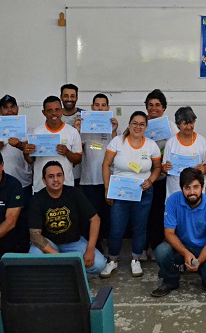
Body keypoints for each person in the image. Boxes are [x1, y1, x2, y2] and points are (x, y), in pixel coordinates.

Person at [102, 111, 162, 277]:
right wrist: (107, 189)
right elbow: (106, 165)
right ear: (129, 125)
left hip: (143, 193)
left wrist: (150, 181)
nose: (138, 127)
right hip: (119, 193)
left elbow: (158, 168)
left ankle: (135, 259)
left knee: (139, 228)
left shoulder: (151, 145)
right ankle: (112, 260)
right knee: (116, 228)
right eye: (134, 123)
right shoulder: (117, 142)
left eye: (142, 124)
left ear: (146, 127)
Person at [28, 161, 111, 276]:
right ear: (44, 180)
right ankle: (65, 271)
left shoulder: (74, 193)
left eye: (59, 175)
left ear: (64, 177)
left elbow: (95, 219)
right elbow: (34, 235)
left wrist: (90, 250)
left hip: (74, 242)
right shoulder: (37, 199)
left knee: (99, 265)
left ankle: (62, 271)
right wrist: (57, 255)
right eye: (51, 177)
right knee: (34, 259)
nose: (56, 179)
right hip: (49, 243)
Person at [151, 168, 206, 297]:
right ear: (181, 188)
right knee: (161, 251)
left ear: (202, 187)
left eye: (195, 187)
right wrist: (186, 253)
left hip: (203, 247)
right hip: (180, 246)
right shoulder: (172, 201)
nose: (192, 192)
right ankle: (170, 280)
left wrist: (199, 261)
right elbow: (169, 233)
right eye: (187, 188)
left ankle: (202, 271)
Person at [76, 93, 118, 249]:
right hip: (89, 179)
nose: (100, 108)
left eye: (103, 105)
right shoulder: (84, 127)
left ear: (108, 108)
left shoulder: (111, 129)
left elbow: (116, 151)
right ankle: (94, 246)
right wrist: (77, 130)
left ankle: (106, 244)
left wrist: (113, 131)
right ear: (92, 107)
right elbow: (78, 149)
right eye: (97, 105)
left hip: (107, 180)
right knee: (92, 215)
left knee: (107, 215)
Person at [144, 89, 179, 260]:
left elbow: (176, 148)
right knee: (142, 214)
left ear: (164, 108)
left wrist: (166, 165)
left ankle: (156, 247)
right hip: (142, 177)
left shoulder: (171, 126)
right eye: (150, 105)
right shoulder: (139, 124)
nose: (153, 108)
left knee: (158, 213)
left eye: (158, 105)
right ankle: (142, 248)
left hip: (162, 178)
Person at [23, 96, 83, 193]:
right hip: (41, 186)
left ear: (62, 111)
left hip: (65, 185)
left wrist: (67, 152)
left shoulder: (72, 132)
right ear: (44, 113)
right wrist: (26, 153)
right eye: (49, 110)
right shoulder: (36, 132)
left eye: (57, 110)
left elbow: (78, 159)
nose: (54, 113)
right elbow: (31, 160)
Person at [0, 94, 34, 205]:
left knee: (23, 216)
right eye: (5, 108)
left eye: (12, 107)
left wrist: (19, 144)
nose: (10, 111)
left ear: (17, 108)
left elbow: (33, 152)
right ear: (0, 111)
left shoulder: (29, 129)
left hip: (23, 181)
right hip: (0, 182)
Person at [162, 106, 206, 199]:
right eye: (185, 124)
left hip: (196, 194)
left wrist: (204, 169)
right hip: (175, 190)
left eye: (191, 123)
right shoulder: (171, 142)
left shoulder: (201, 141)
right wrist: (166, 168)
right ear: (178, 124)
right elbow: (164, 168)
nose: (189, 127)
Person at [60, 84, 85, 186]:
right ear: (61, 97)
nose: (69, 99)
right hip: (60, 170)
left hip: (80, 172)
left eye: (72, 96)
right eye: (66, 96)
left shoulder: (85, 116)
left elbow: (95, 145)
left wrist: (86, 146)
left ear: (77, 98)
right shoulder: (55, 115)